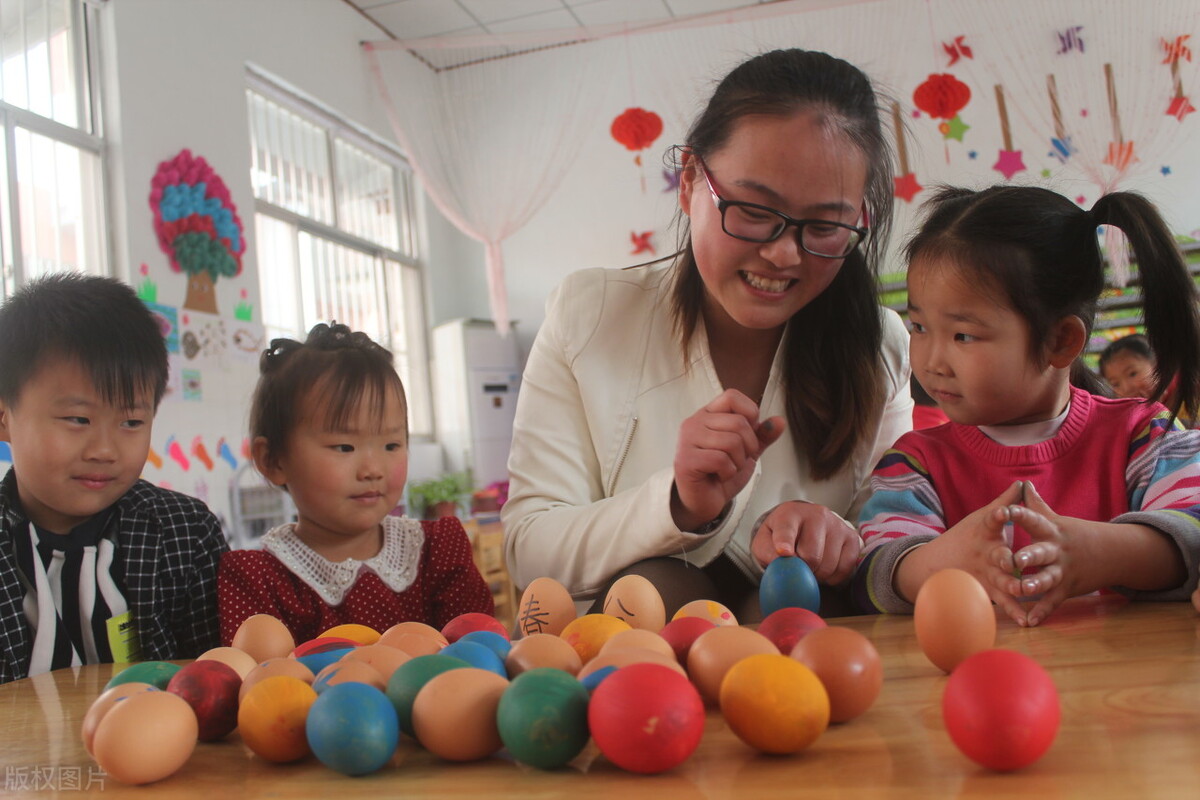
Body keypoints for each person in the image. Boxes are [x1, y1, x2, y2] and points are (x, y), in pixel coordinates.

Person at [502, 49, 912, 620]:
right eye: (751, 209)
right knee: (650, 588)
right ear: (691, 179)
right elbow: (528, 553)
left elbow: (899, 527)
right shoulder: (590, 315)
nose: (782, 253)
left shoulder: (878, 345)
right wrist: (677, 504)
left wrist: (841, 539)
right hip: (634, 677)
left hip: (814, 678)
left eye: (823, 226)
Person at [855, 186, 1200, 627]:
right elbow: (876, 571)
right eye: (919, 326)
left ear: (1060, 341)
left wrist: (1098, 553)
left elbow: (1191, 531)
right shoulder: (914, 463)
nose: (930, 360)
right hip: (975, 686)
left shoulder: (1143, 437)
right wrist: (943, 563)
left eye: (962, 335)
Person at [0, 273, 227, 684]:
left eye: (131, 421)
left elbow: (216, 680)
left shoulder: (185, 533)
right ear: (4, 415)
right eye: (78, 419)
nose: (104, 449)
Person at [218, 323, 492, 645]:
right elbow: (258, 685)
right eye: (344, 447)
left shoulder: (437, 553)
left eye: (391, 445)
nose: (373, 470)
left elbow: (481, 653)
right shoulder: (256, 581)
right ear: (274, 460)